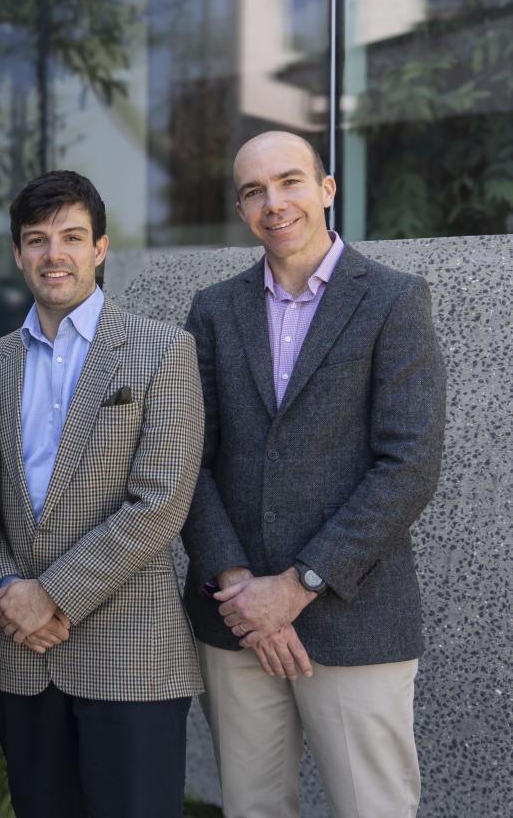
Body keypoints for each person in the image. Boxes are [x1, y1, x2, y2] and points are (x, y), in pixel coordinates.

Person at [182, 131, 447, 817]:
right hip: (235, 620)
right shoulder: (213, 312)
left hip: (355, 617)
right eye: (254, 192)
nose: (275, 203)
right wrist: (241, 588)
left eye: (290, 181)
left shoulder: (393, 300)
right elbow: (191, 457)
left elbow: (408, 464)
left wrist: (297, 587)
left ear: (326, 189)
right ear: (241, 209)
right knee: (252, 808)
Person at [0, 171, 204, 817]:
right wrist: (7, 594)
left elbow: (160, 502)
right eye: (37, 239)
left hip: (130, 653)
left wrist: (49, 594)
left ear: (100, 248)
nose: (55, 254)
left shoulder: (162, 351)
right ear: (18, 254)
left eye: (72, 237)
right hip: (17, 650)